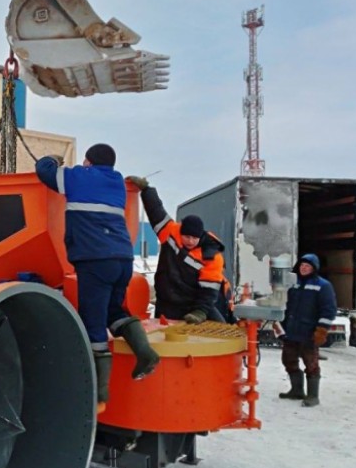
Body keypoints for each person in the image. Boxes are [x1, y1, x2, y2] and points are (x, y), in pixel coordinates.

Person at [35, 144, 160, 413]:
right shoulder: (116, 182)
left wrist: (53, 159)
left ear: (89, 162)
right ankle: (145, 353)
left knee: (93, 324)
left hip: (95, 261)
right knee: (115, 311)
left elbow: (44, 171)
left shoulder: (79, 177)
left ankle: (99, 396)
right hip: (122, 259)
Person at [126, 176, 226, 324]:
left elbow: (209, 289)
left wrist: (200, 312)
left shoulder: (212, 257)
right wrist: (146, 190)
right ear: (181, 233)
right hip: (167, 303)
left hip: (194, 306)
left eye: (194, 238)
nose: (190, 241)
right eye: (187, 237)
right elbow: (156, 211)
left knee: (219, 328)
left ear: (201, 236)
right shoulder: (170, 233)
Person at [278, 253, 337, 407]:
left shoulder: (323, 286)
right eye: (302, 265)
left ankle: (313, 396)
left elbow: (329, 310)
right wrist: (280, 325)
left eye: (308, 266)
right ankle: (297, 390)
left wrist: (322, 330)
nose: (304, 268)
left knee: (311, 364)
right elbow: (283, 304)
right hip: (291, 331)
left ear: (314, 268)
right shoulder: (292, 284)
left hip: (309, 333)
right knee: (288, 360)